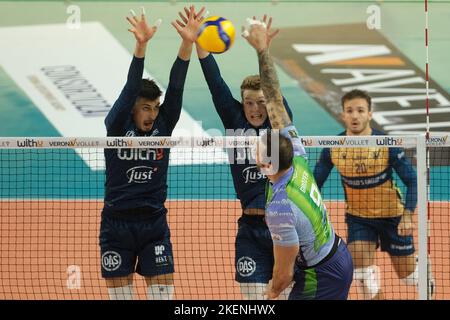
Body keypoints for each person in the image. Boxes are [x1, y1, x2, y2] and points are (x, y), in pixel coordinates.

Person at [175, 9, 293, 299]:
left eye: (260, 103)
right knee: (252, 302)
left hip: (284, 225)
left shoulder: (278, 123)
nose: (255, 109)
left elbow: (275, 93)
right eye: (249, 103)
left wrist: (262, 50)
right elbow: (215, 84)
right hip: (250, 229)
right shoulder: (234, 119)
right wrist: (199, 41)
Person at [243, 18, 354, 300]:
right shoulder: (297, 155)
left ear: (267, 164)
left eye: (259, 147)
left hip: (322, 274)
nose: (256, 146)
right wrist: (262, 51)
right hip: (336, 253)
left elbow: (283, 275)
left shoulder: (280, 208)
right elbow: (274, 101)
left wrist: (270, 295)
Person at [100, 6, 205, 300]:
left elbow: (176, 86)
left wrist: (187, 43)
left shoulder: (163, 126)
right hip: (116, 225)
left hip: (154, 225)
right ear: (131, 109)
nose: (152, 113)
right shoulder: (117, 125)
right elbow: (131, 87)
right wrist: (141, 46)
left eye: (155, 107)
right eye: (146, 107)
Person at [313, 89, 434, 299]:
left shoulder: (386, 144)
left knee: (406, 277)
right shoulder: (333, 147)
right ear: (343, 115)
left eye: (360, 110)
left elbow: (413, 180)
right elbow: (315, 183)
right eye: (349, 111)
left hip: (392, 217)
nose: (355, 115)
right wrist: (313, 214)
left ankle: (423, 272)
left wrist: (407, 214)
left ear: (370, 114)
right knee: (361, 274)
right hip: (359, 219)